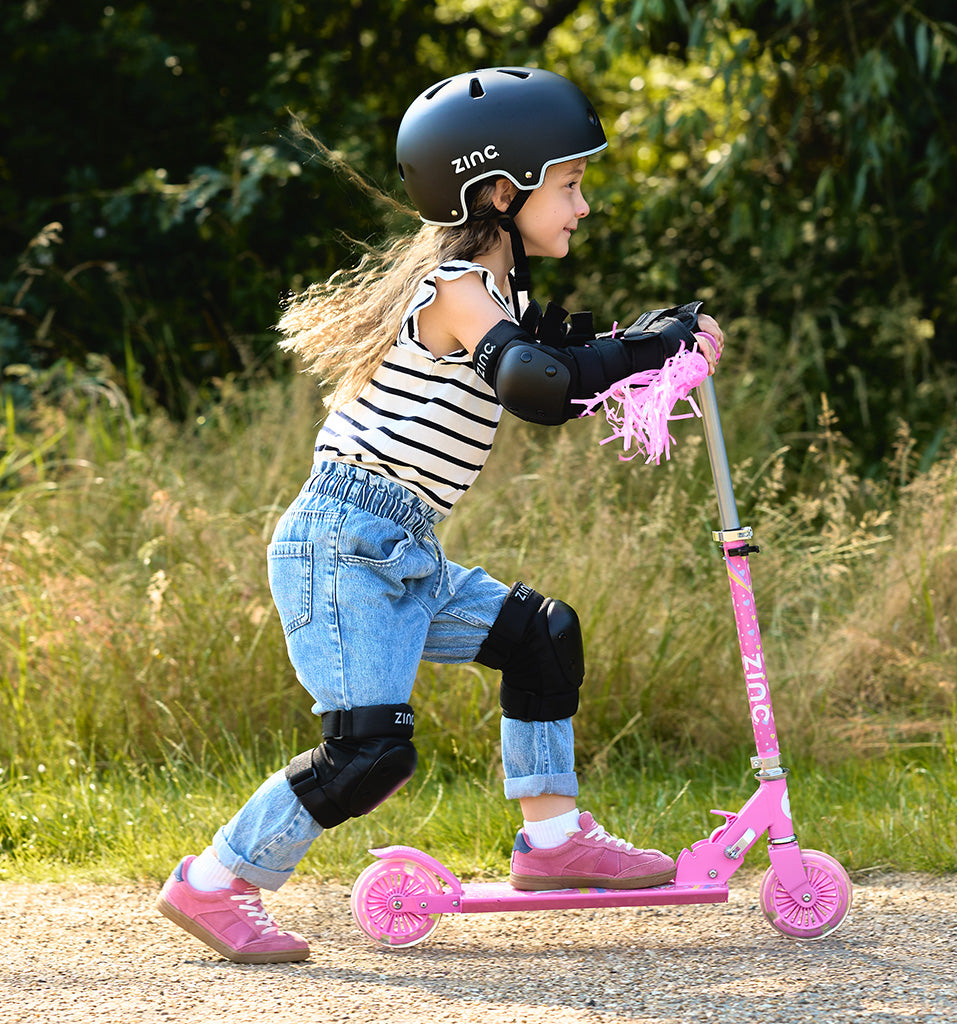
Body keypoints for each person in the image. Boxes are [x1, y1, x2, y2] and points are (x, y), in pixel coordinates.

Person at [157, 65, 725, 964]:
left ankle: (552, 843)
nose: (582, 205)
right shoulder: (459, 291)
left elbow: (567, 360)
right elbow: (539, 388)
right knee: (369, 754)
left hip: (401, 550)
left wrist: (654, 343)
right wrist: (640, 348)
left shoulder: (505, 300)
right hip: (343, 546)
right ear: (502, 191)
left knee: (541, 637)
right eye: (570, 184)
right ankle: (218, 880)